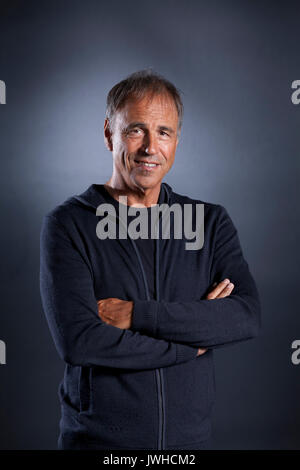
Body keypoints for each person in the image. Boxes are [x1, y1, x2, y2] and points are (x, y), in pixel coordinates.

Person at [39, 69, 261, 450]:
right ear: (109, 132)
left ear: (177, 140)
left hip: (188, 446)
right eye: (135, 129)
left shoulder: (209, 223)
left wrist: (137, 316)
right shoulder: (69, 224)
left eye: (164, 132)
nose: (150, 148)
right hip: (98, 445)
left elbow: (245, 316)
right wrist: (191, 344)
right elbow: (81, 341)